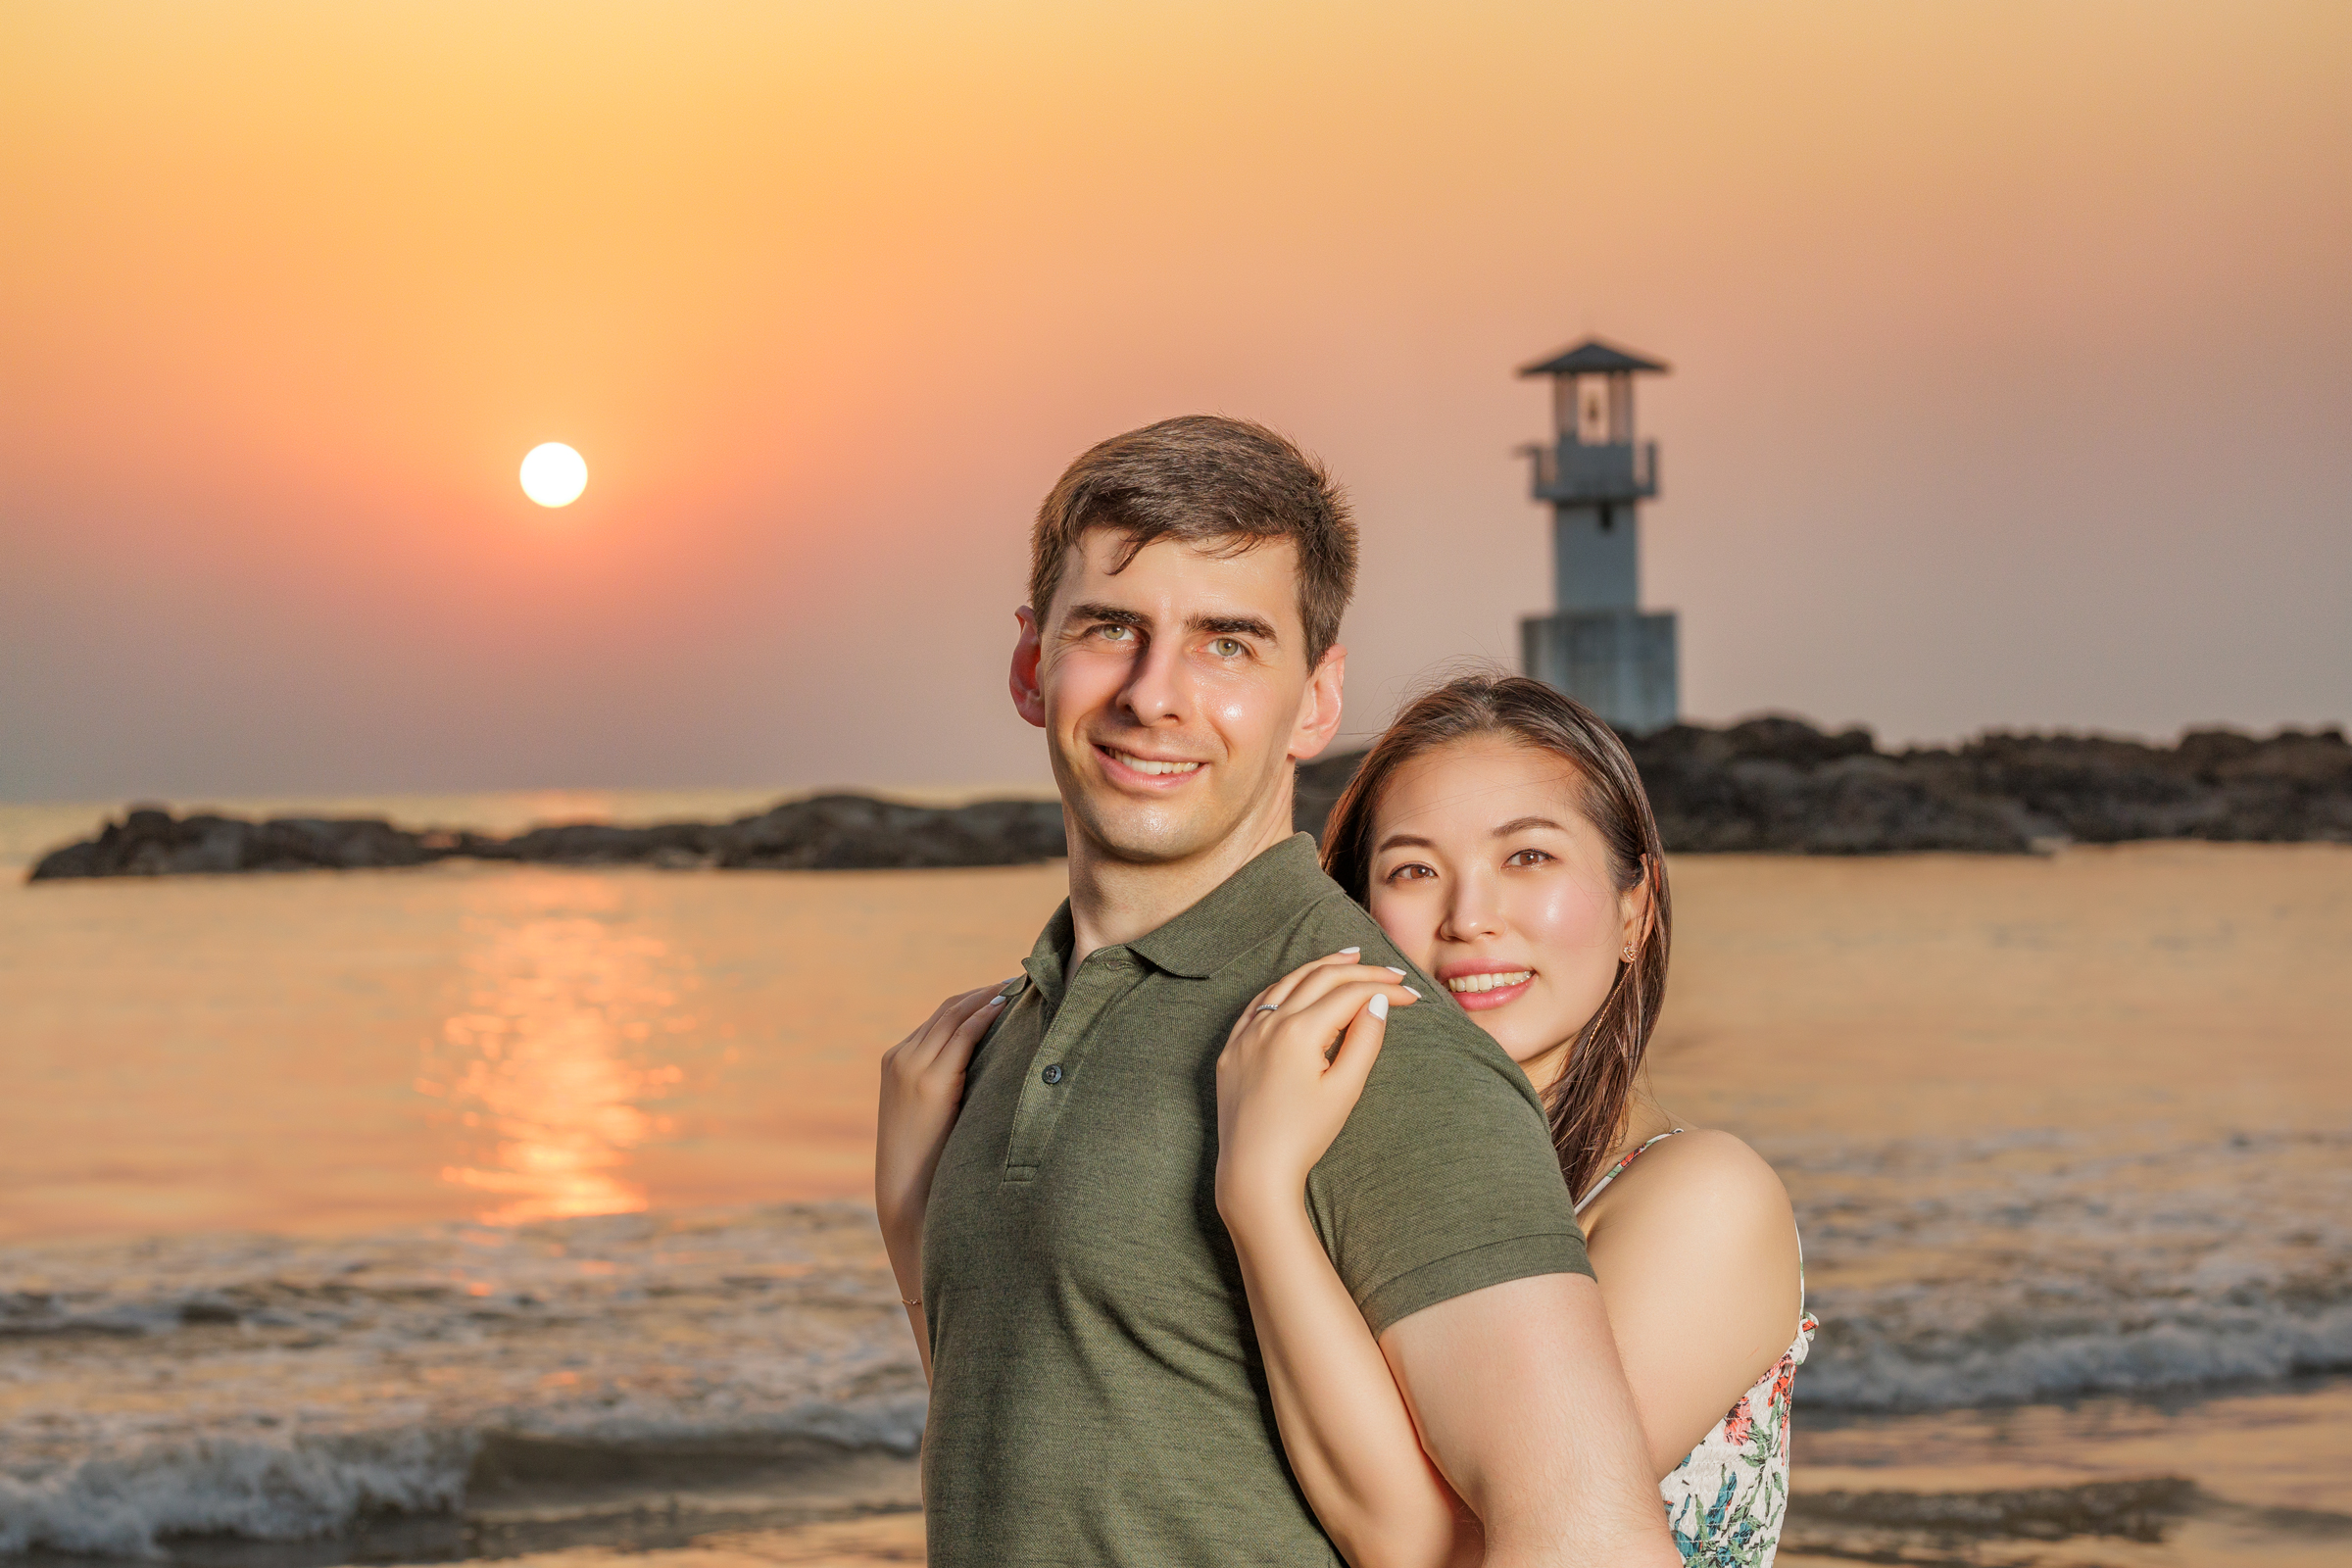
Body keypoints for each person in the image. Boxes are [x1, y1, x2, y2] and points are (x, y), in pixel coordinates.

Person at [875, 416, 1681, 1567]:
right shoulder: (1008, 1035)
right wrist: (915, 1219)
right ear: (1030, 663)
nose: (1156, 695)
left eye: (1229, 644)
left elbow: (1593, 1543)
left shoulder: (1374, 1042)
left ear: (1315, 701)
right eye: (1112, 627)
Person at [1216, 674, 1815, 1567]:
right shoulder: (1346, 1173)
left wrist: (1257, 1194)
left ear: (1633, 909)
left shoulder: (1702, 1199)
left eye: (1527, 857)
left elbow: (1451, 1548)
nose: (1468, 919)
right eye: (1413, 871)